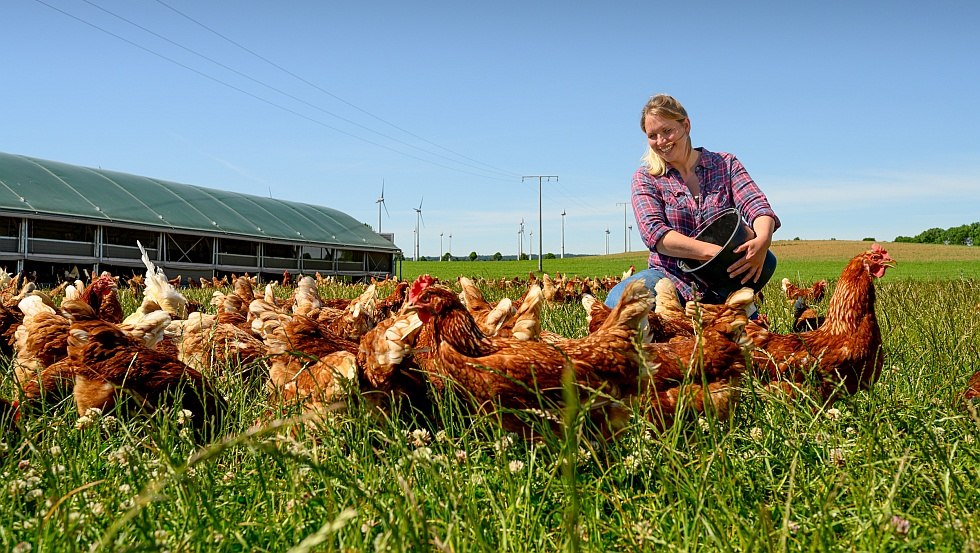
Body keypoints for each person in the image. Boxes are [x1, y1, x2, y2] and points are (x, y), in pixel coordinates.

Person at [605, 94, 780, 310]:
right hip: (669, 280)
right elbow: (655, 233)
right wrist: (711, 253)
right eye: (652, 135)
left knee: (751, 341)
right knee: (618, 303)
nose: (661, 142)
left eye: (667, 131)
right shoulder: (646, 178)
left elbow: (756, 205)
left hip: (725, 281)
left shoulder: (725, 164)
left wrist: (763, 240)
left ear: (686, 125)